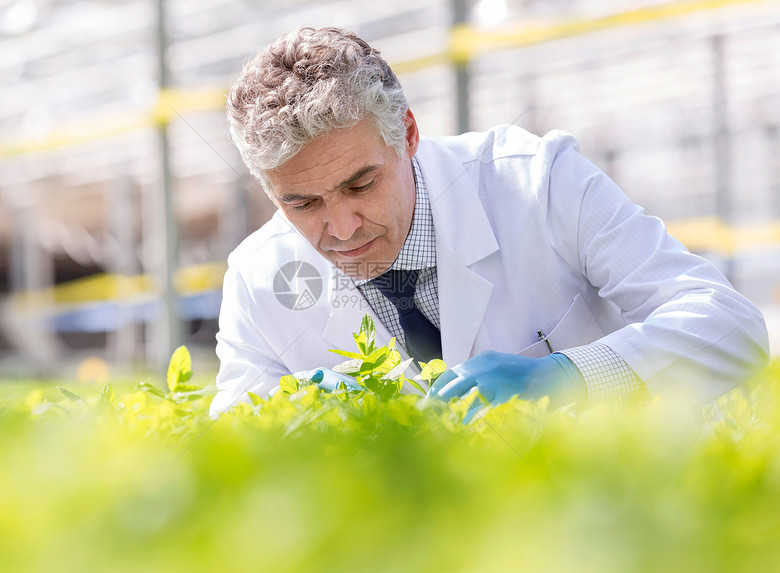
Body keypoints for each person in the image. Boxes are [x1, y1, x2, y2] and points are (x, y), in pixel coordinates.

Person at [209, 26, 769, 417]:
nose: (343, 228)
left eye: (361, 185)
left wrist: (570, 377)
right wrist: (285, 417)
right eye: (302, 204)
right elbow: (225, 452)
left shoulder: (539, 182)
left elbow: (730, 329)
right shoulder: (257, 282)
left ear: (406, 134)